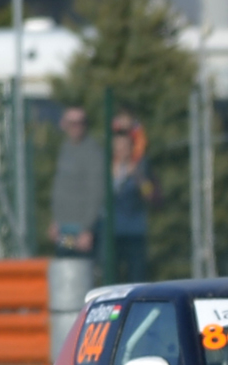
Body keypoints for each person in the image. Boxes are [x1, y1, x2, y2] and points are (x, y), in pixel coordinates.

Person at [47, 107, 105, 257]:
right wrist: (56, 221)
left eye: (81, 123)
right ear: (64, 124)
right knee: (66, 268)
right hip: (64, 228)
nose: (77, 127)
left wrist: (87, 229)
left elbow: (96, 192)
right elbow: (60, 188)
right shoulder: (65, 148)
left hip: (83, 230)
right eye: (72, 123)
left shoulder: (92, 152)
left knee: (82, 272)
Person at [109, 113, 158, 281]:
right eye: (118, 146)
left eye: (125, 147)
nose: (121, 150)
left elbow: (151, 195)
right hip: (111, 231)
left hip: (134, 231)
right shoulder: (106, 169)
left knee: (136, 276)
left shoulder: (140, 168)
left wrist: (137, 175)